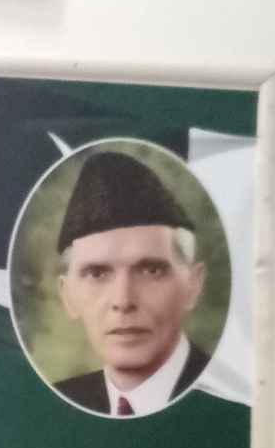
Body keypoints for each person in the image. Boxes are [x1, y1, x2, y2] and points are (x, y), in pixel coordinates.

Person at [54, 151, 210, 416]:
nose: (123, 301)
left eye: (151, 270)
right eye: (97, 274)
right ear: (68, 296)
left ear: (192, 286)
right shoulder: (61, 405)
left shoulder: (233, 396)